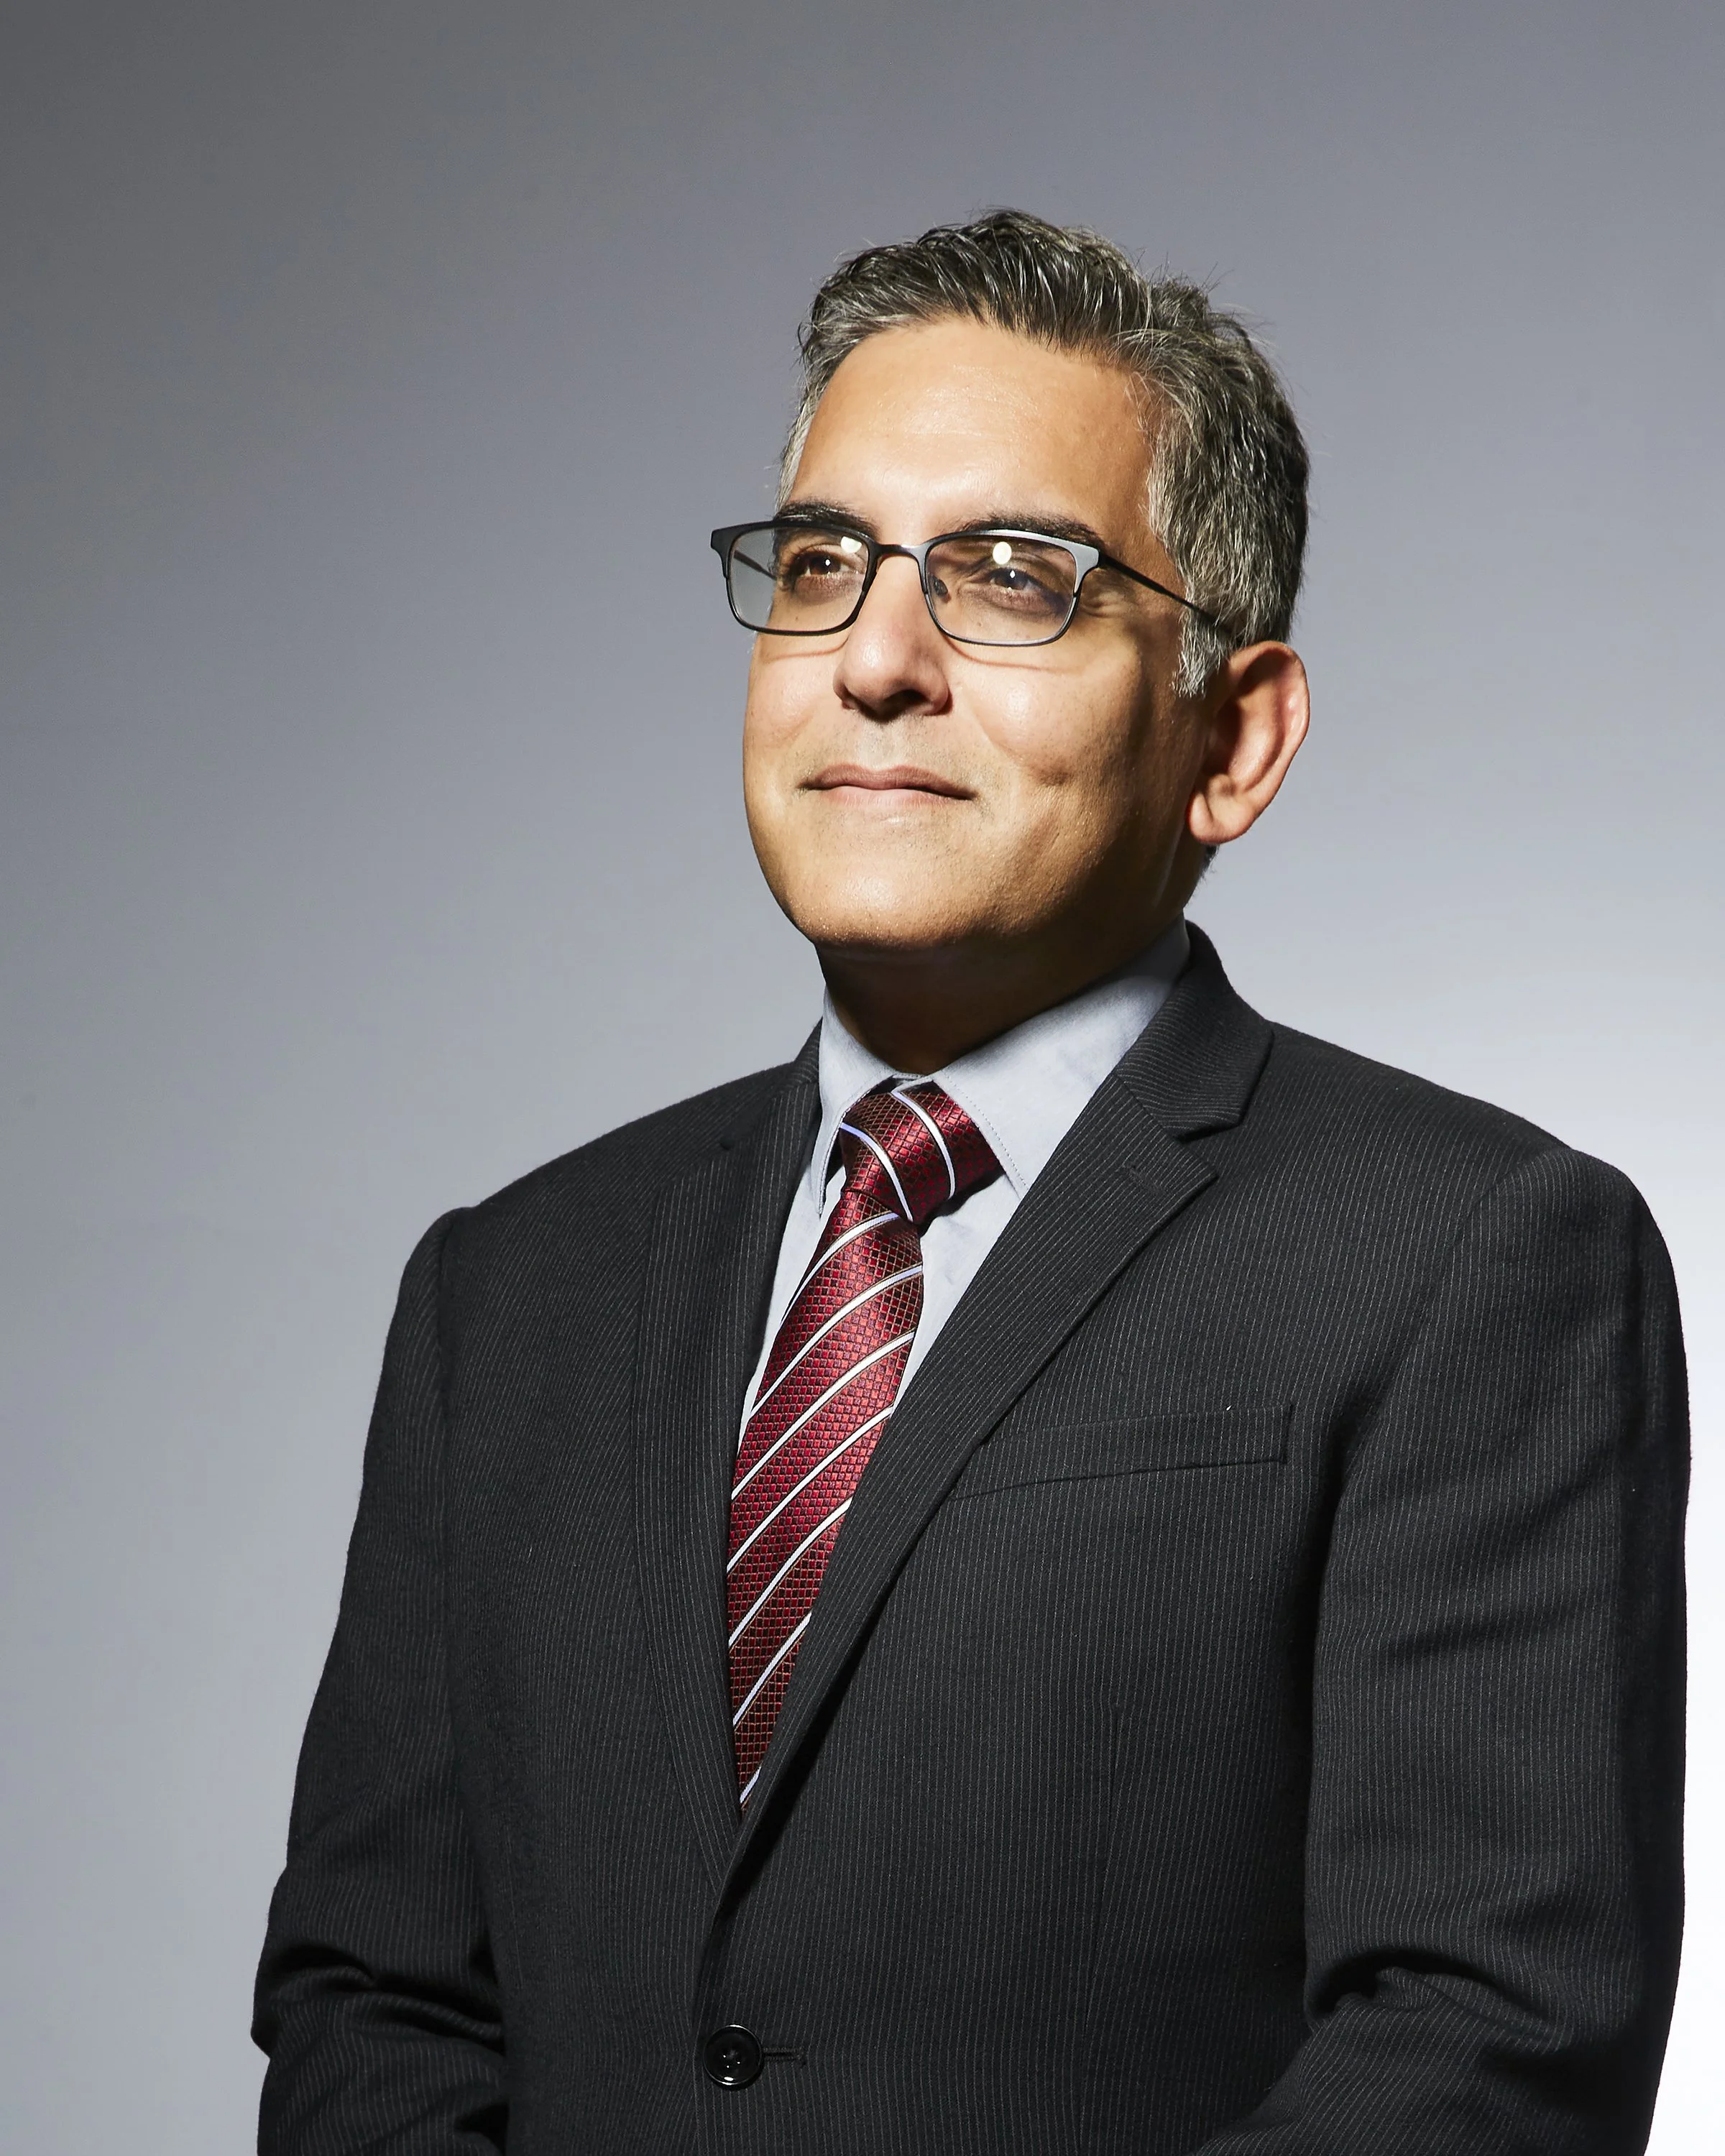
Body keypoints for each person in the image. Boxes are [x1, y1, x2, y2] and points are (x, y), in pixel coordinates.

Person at [253, 211, 1687, 2155]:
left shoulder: (1469, 1256)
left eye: (1015, 576)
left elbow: (1485, 2047)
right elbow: (373, 2001)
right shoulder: (506, 1287)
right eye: (825, 564)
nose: (876, 662)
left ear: (1234, 736)